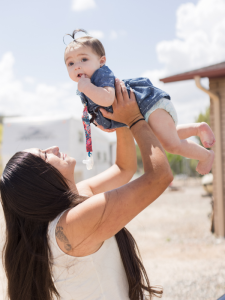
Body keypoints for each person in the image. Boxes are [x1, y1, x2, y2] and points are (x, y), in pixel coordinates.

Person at [0, 80, 173, 300]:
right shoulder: (72, 223)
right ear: (39, 182)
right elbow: (159, 177)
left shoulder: (73, 204)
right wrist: (134, 119)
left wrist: (117, 120)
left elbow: (124, 168)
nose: (54, 148)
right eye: (45, 155)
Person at [64, 29, 215, 175]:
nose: (77, 65)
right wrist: (102, 123)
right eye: (70, 63)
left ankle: (205, 156)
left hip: (149, 103)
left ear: (101, 61)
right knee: (165, 138)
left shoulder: (100, 75)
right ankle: (197, 129)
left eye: (84, 59)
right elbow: (96, 108)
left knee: (171, 145)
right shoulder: (88, 87)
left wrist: (87, 87)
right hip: (145, 110)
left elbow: (107, 98)